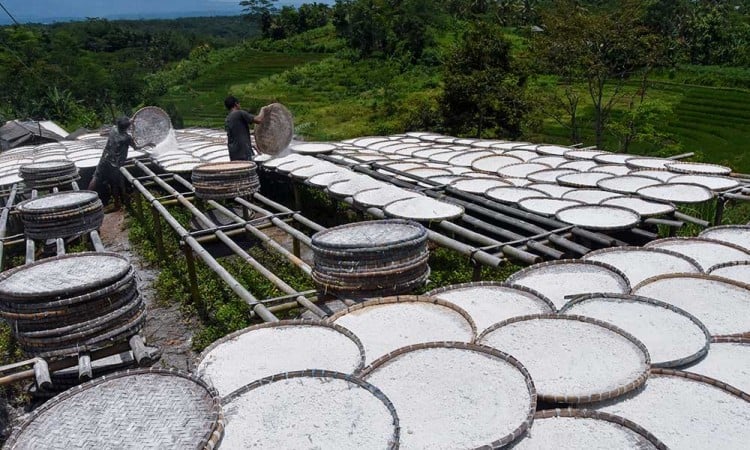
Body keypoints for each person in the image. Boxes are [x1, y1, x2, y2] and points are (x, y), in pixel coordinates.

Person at [88, 116, 153, 212]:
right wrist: (147, 144)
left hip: (105, 159)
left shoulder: (113, 130)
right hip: (115, 164)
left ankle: (87, 198)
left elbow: (119, 126)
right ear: (126, 127)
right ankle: (117, 204)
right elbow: (136, 147)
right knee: (114, 184)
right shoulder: (126, 138)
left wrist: (129, 122)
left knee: (96, 177)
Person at [224, 95, 264, 161]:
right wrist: (263, 110)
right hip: (244, 153)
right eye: (239, 103)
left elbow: (237, 133)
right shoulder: (239, 113)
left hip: (234, 154)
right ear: (236, 104)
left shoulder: (228, 119)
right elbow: (259, 120)